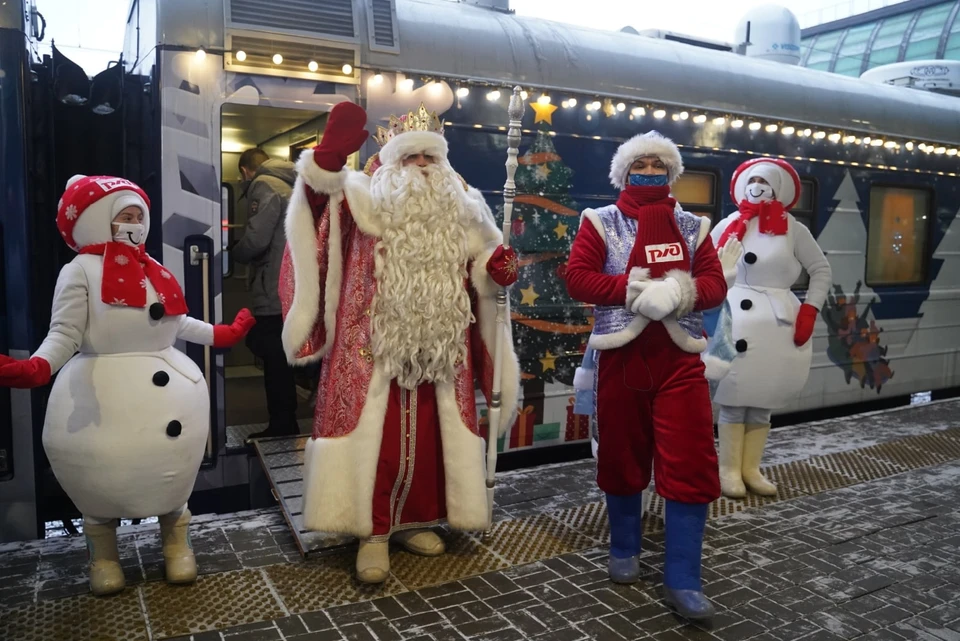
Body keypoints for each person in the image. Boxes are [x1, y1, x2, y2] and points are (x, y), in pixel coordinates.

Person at [278, 101, 521, 583]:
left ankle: (413, 521)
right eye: (411, 157)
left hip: (441, 350)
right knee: (381, 442)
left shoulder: (466, 204)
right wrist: (325, 161)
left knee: (430, 442)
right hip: (372, 350)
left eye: (431, 157)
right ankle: (371, 533)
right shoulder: (363, 197)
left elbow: (486, 269)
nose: (422, 166)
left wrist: (495, 271)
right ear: (392, 160)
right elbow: (317, 210)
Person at [0, 175, 255, 596]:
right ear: (98, 220)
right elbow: (64, 333)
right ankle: (103, 556)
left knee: (171, 484)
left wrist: (221, 333)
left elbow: (174, 321)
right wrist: (36, 368)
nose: (135, 223)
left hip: (170, 390)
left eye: (140, 215)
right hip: (103, 392)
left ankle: (177, 545)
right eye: (125, 216)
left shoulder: (150, 266)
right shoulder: (79, 271)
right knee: (102, 485)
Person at [565, 131, 727, 622]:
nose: (651, 171)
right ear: (624, 171)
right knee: (621, 453)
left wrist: (678, 293)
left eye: (660, 165)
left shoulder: (694, 226)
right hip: (621, 356)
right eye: (642, 164)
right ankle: (624, 547)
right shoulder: (600, 221)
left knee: (691, 461)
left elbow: (716, 284)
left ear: (672, 173)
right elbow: (578, 277)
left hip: (679, 362)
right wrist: (633, 290)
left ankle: (683, 576)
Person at [710, 159, 831, 498]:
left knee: (763, 401)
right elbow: (702, 267)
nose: (758, 186)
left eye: (765, 181)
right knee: (733, 399)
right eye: (754, 180)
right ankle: (728, 469)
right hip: (732, 320)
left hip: (779, 325)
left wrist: (810, 308)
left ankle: (751, 468)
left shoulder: (793, 228)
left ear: (777, 188)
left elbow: (821, 269)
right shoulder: (729, 224)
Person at [232, 149, 301, 439]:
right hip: (293, 286)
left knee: (272, 356)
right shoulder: (292, 184)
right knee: (279, 356)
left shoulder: (264, 185)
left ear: (246, 170)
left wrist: (232, 253)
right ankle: (287, 420)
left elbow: (256, 239)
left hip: (274, 287)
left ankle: (282, 424)